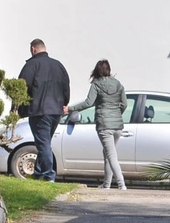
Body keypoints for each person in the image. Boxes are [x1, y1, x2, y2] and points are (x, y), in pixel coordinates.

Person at [65, 60, 127, 191]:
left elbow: (88, 103)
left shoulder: (96, 85)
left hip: (104, 124)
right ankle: (107, 184)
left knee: (111, 155)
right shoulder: (118, 84)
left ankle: (122, 184)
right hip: (117, 125)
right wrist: (116, 114)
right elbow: (124, 104)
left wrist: (70, 109)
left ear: (97, 71)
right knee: (108, 153)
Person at [17, 39, 70, 182]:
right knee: (44, 142)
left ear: (33, 49)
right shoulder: (58, 65)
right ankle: (39, 172)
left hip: (39, 111)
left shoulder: (31, 65)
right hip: (56, 111)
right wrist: (64, 104)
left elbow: (22, 87)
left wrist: (19, 109)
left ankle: (48, 174)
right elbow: (66, 87)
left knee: (43, 143)